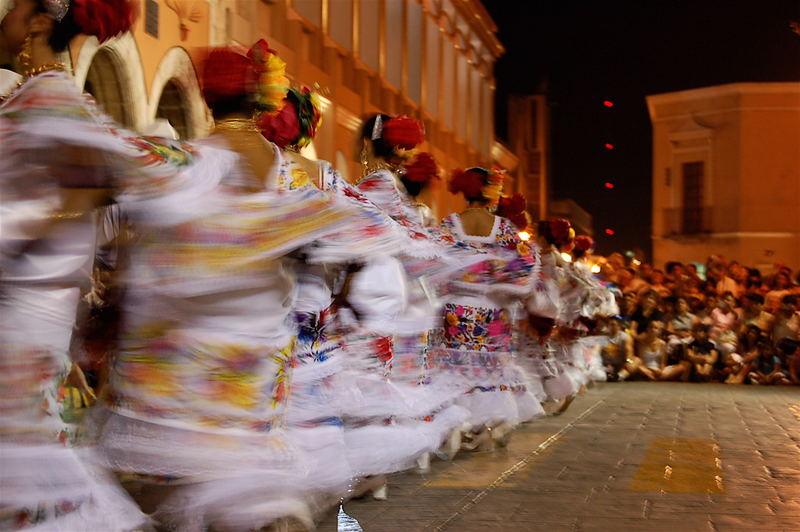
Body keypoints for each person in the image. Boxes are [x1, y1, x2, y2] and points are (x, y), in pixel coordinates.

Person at [1, 1, 147, 529]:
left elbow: (93, 186)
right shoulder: (38, 95)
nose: (7, 17)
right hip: (29, 295)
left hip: (26, 298)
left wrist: (18, 241)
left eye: (15, 7)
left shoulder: (53, 97)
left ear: (39, 21)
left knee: (23, 440)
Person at [436, 166, 542, 449]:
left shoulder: (449, 223)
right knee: (491, 370)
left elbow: (433, 262)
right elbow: (525, 266)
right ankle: (487, 424)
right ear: (491, 192)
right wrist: (494, 277)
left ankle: (456, 424)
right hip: (493, 311)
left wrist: (463, 272)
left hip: (455, 310)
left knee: (456, 367)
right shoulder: (504, 228)